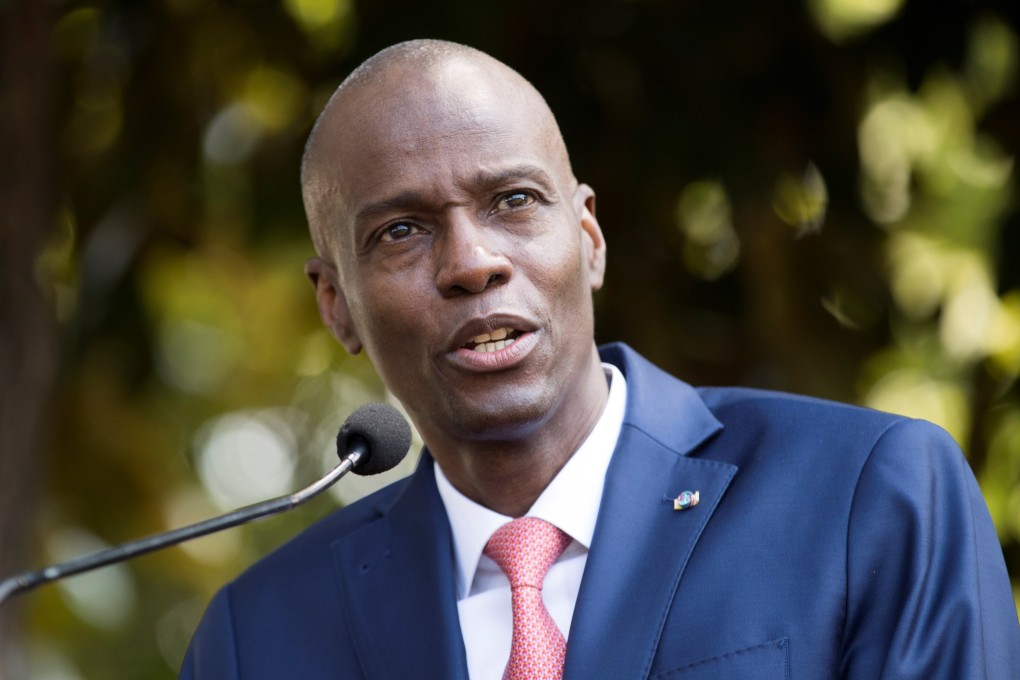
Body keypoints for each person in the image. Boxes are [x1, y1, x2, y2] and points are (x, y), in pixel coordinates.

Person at [180, 40, 1019, 679]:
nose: (472, 262)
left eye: (514, 201)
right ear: (336, 303)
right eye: (401, 231)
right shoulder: (259, 638)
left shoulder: (867, 494)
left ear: (587, 239)